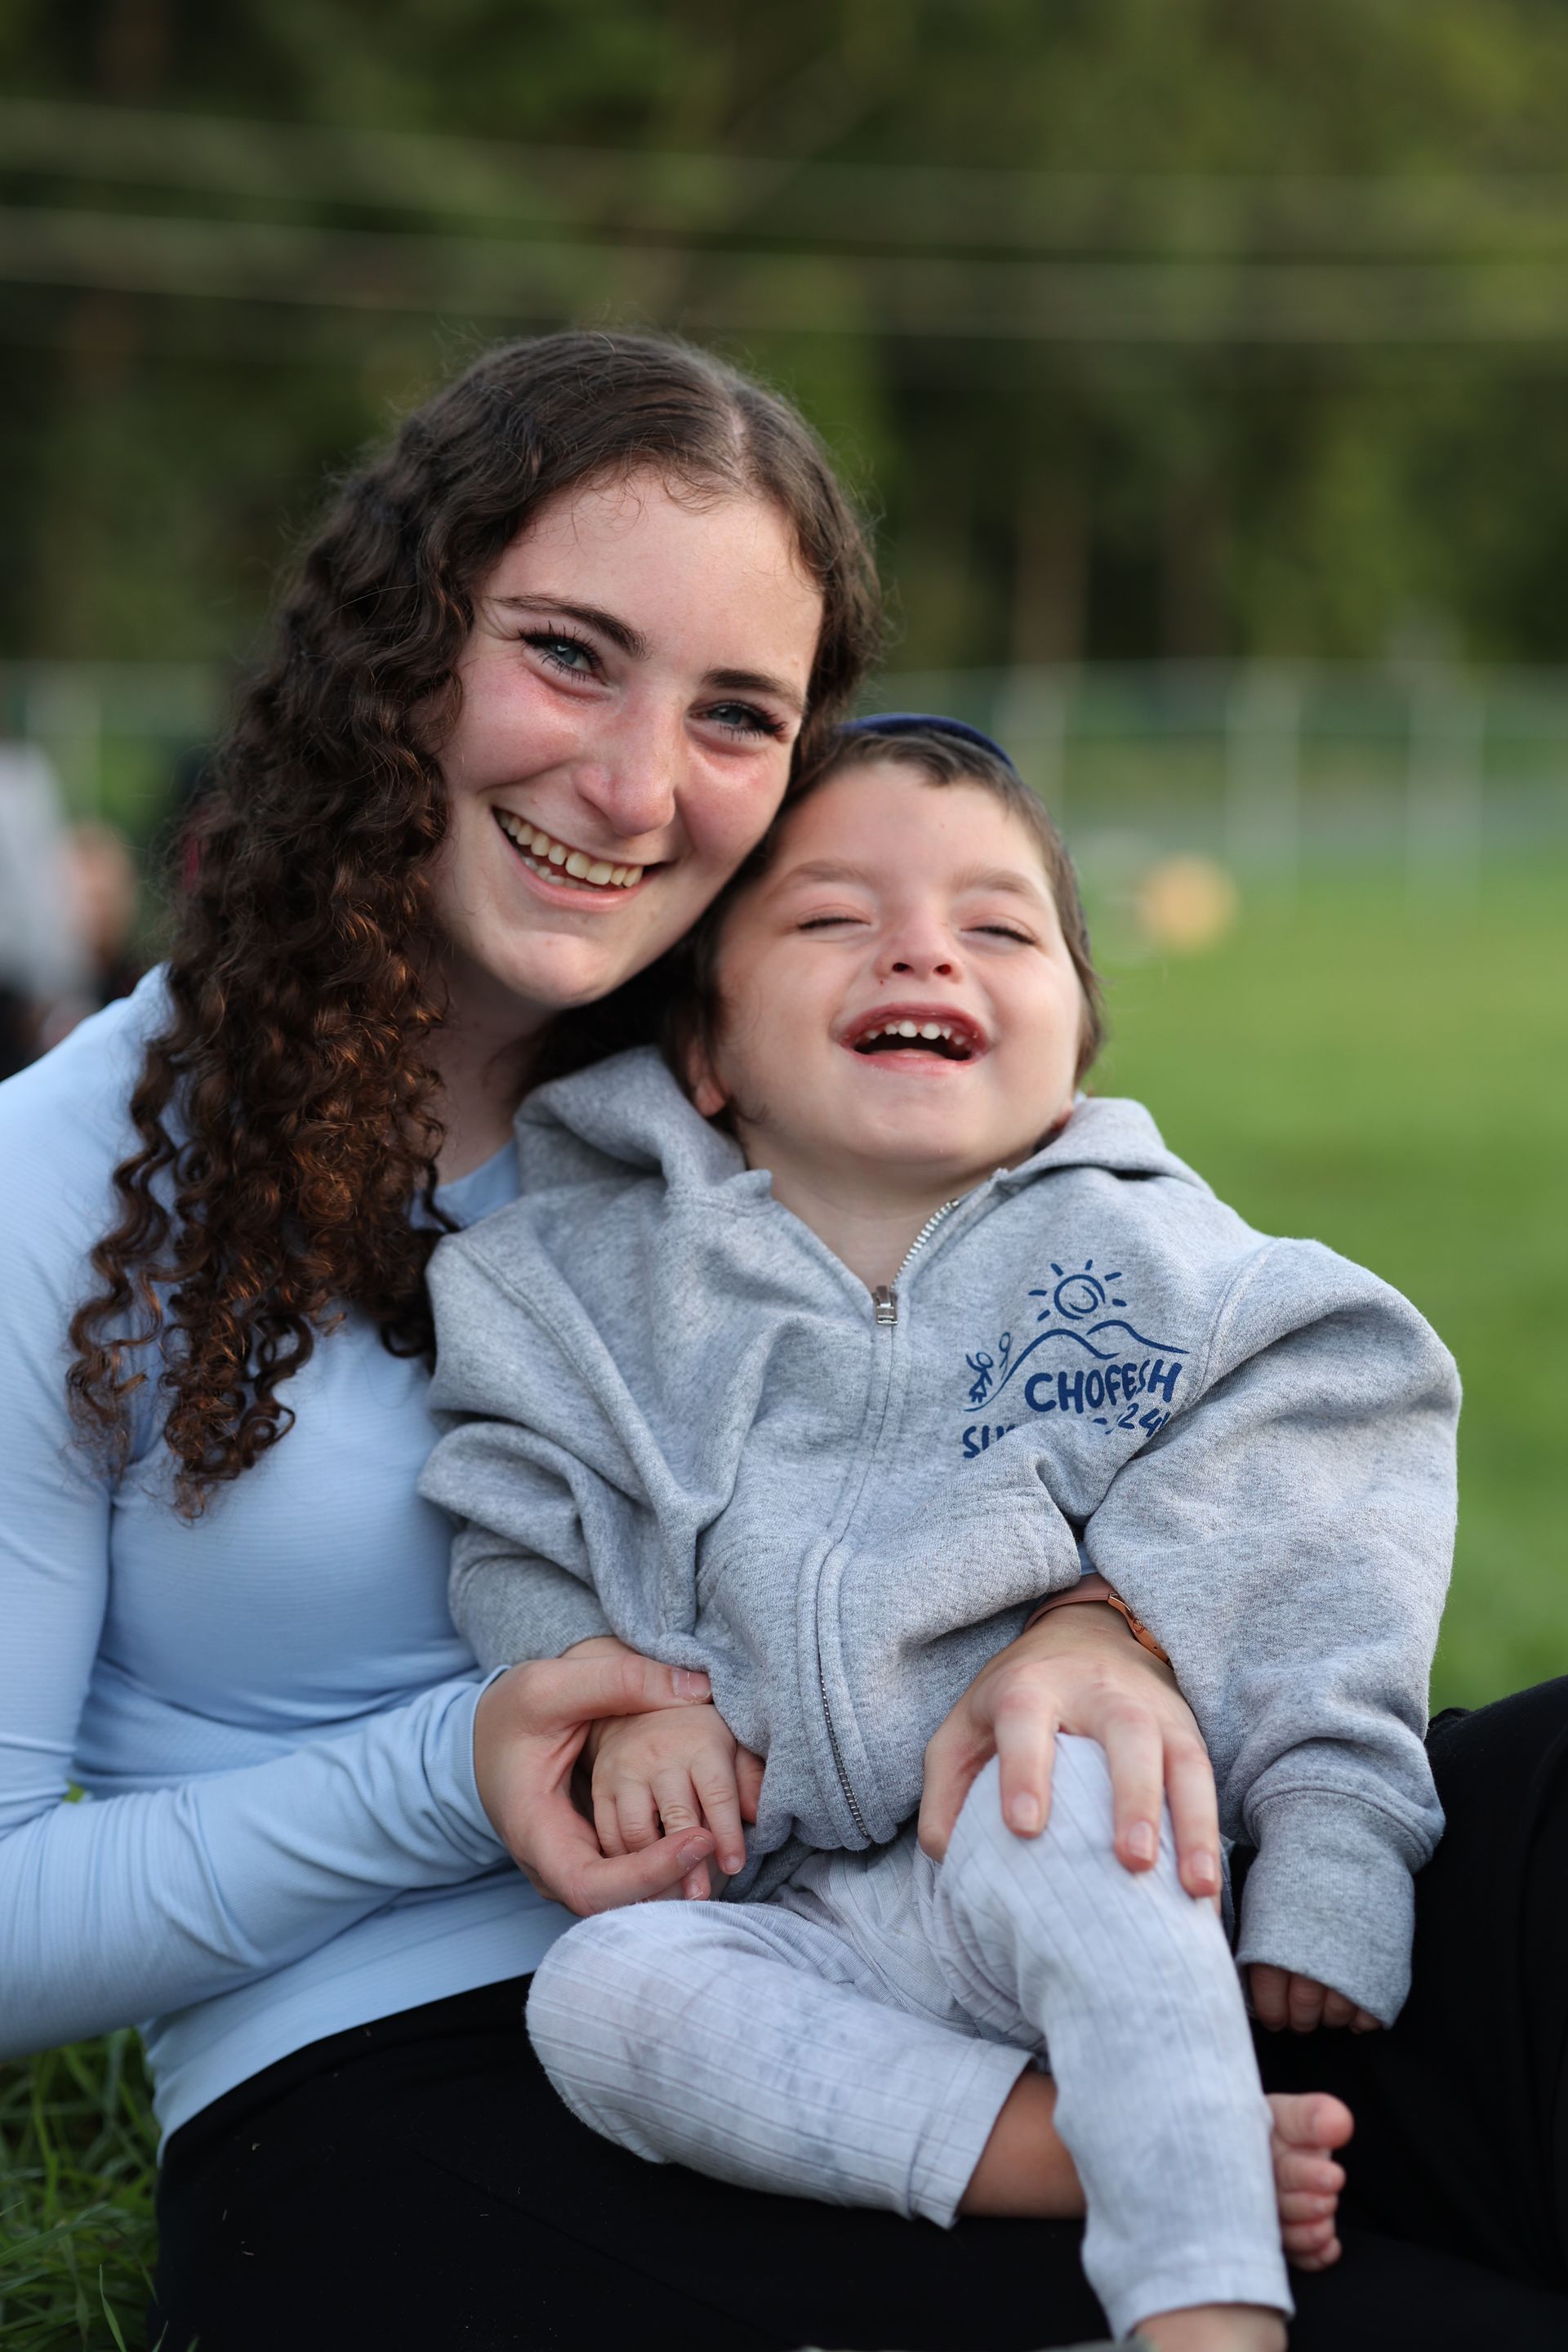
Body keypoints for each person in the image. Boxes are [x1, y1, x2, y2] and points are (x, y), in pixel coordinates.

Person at [0, 331, 1562, 2352]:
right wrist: (465, 1769)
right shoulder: (65, 1183)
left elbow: (1184, 1364)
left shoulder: (789, 1055)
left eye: (736, 712)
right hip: (459, 2065)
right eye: (568, 653)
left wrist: (1122, 1623)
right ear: (391, 651)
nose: (637, 784)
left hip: (1011, 1880)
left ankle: (1165, 2113)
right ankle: (1136, 2169)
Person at [420, 715, 1454, 2350]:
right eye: (835, 918)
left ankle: (1204, 2311)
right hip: (806, 1916)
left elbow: (1338, 1483)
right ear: (708, 1056)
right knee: (602, 2003)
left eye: (997, 926)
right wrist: (604, 1691)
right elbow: (508, 1517)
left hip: (1086, 1859)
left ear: (1073, 1048)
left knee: (1066, 1781)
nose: (921, 948)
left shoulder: (1168, 1269)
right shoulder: (586, 1293)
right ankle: (1127, 2152)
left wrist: (1326, 1855)